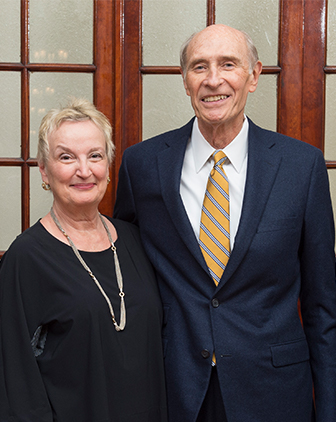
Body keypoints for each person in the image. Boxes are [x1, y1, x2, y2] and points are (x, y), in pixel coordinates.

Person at [113, 24, 336, 422]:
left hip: (274, 393)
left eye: (228, 64)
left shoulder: (301, 167)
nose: (213, 79)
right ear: (185, 81)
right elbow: (124, 278)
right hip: (173, 389)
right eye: (199, 67)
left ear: (253, 76)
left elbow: (322, 307)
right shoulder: (142, 165)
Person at [0, 98, 167, 422]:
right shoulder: (27, 257)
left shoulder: (134, 239)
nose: (84, 170)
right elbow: (16, 381)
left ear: (109, 165)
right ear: (45, 169)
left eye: (95, 156)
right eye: (67, 157)